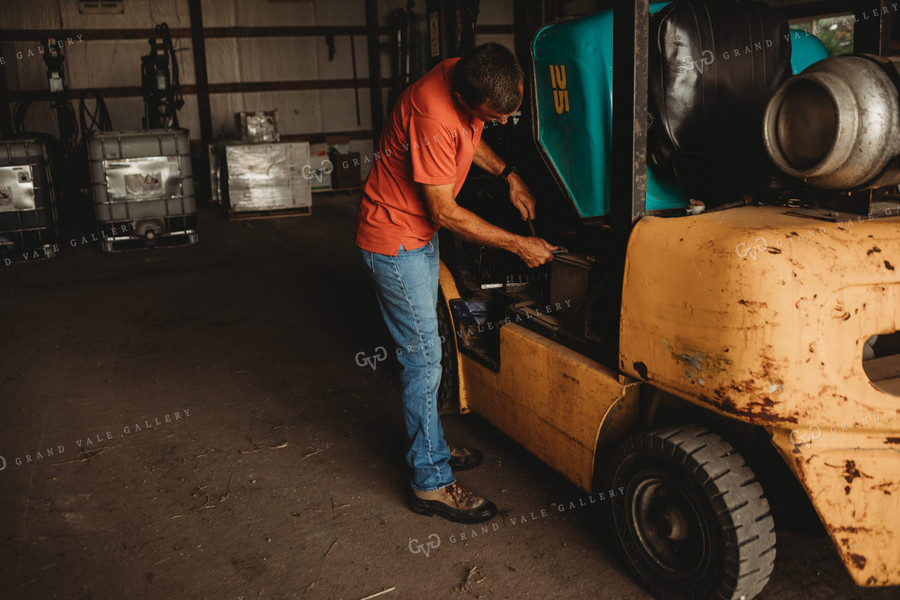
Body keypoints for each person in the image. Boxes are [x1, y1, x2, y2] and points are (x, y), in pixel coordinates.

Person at [355, 42, 557, 524]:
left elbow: (469, 137)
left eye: (512, 114)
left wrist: (509, 173)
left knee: (431, 352)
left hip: (418, 236)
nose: (505, 122)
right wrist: (519, 245)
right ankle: (431, 482)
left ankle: (433, 446)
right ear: (466, 98)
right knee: (423, 358)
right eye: (497, 116)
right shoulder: (433, 114)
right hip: (396, 241)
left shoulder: (465, 75)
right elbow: (444, 211)